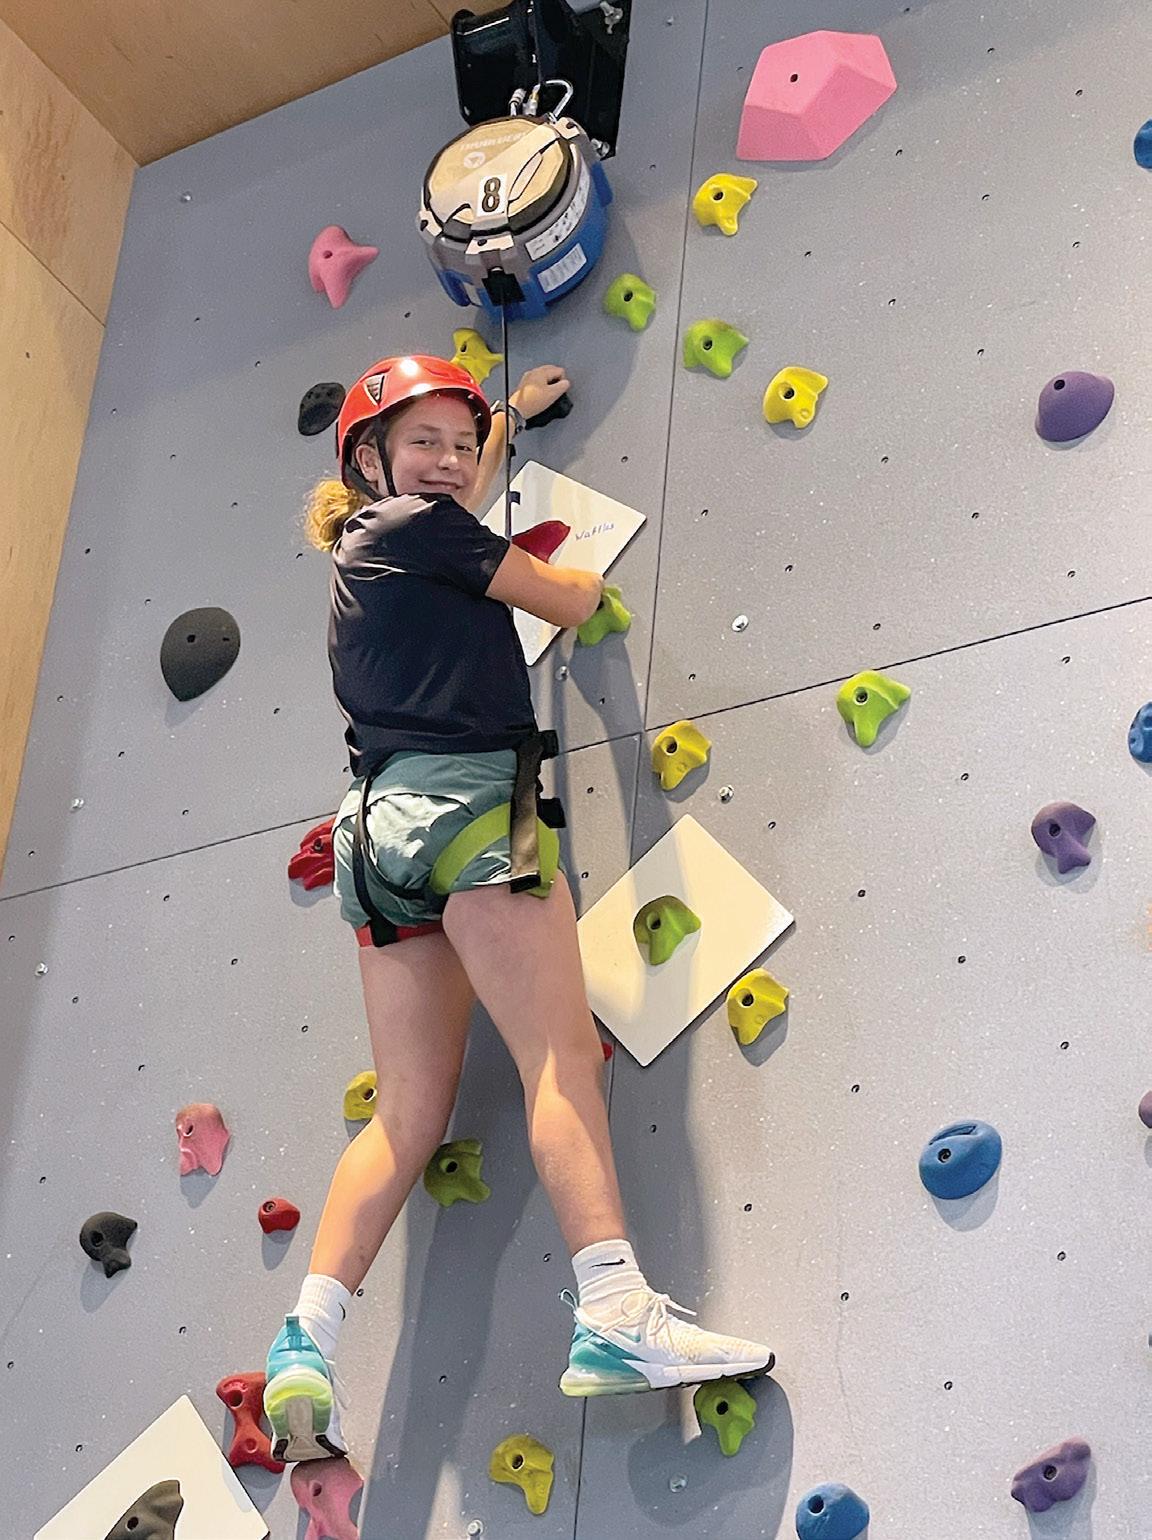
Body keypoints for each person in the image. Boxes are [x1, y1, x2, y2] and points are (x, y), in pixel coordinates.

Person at [262, 353, 774, 1463]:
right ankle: (616, 1308)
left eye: (461, 444)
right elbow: (565, 598)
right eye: (425, 443)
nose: (450, 461)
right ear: (368, 462)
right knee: (558, 1059)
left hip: (377, 833)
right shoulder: (420, 525)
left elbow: (459, 493)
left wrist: (502, 423)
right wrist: (571, 579)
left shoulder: (376, 544)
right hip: (476, 807)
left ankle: (305, 1338)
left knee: (407, 1115)